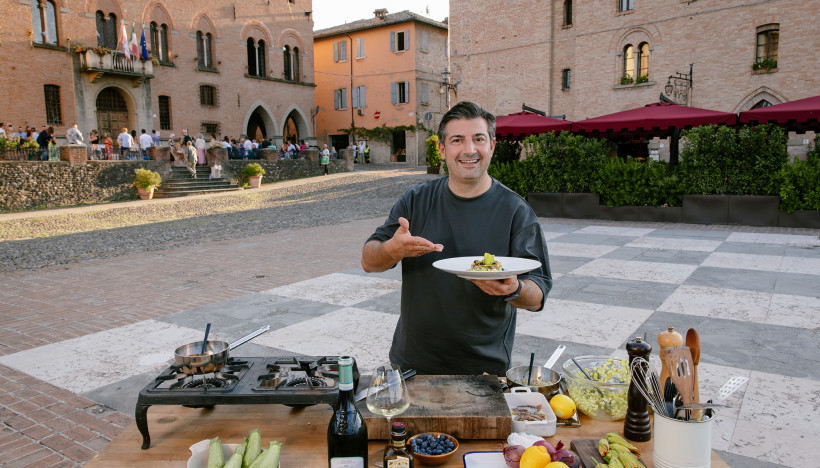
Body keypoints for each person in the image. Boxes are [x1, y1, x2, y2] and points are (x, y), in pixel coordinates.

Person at [360, 101, 552, 376]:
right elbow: (369, 260)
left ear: (492, 146)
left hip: (485, 367)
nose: (469, 150)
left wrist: (514, 289)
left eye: (478, 139)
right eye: (457, 140)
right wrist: (392, 249)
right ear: (442, 148)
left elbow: (539, 294)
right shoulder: (416, 200)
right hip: (413, 363)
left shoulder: (516, 211)